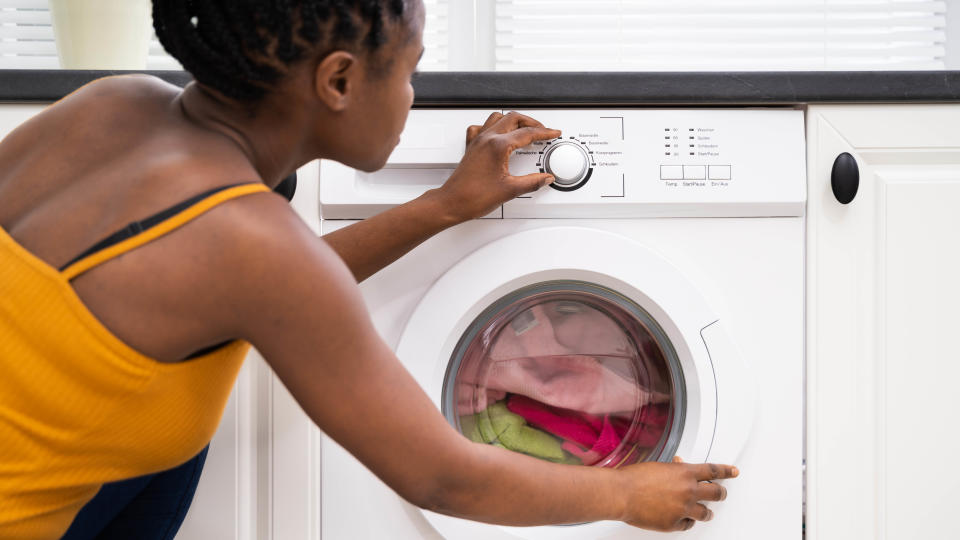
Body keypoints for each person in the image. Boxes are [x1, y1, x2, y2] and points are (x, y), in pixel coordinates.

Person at [0, 1, 738, 538]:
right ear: (340, 81)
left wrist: (444, 206)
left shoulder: (111, 102)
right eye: (411, 71)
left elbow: (250, 282)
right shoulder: (252, 246)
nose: (414, 95)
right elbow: (442, 476)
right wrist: (626, 495)